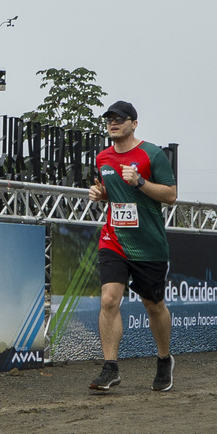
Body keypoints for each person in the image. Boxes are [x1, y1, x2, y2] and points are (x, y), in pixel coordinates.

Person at [83, 100, 179, 392]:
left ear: (134, 124)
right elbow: (114, 193)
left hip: (148, 245)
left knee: (153, 305)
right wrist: (101, 193)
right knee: (109, 299)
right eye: (109, 119)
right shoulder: (103, 157)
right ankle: (110, 367)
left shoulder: (152, 154)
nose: (113, 123)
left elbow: (171, 195)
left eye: (119, 119)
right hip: (114, 239)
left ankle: (164, 359)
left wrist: (140, 183)